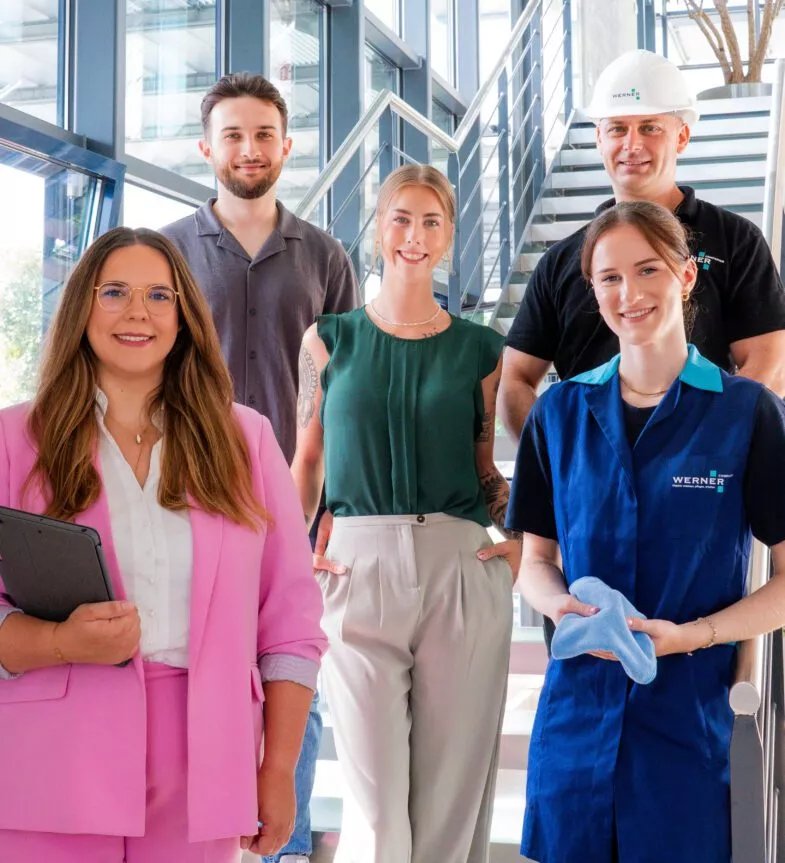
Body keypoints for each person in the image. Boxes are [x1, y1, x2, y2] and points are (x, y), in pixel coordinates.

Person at [0, 227, 326, 862]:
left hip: (206, 763)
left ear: (184, 316)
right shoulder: (14, 440)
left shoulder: (247, 439)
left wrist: (280, 769)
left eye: (159, 294)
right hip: (49, 758)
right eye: (114, 291)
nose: (137, 312)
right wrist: (59, 642)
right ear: (81, 308)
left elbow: (291, 624)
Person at [507, 200, 785, 863]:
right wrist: (561, 606)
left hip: (688, 722)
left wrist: (693, 635)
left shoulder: (747, 413)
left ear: (686, 276)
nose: (627, 294)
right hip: (575, 717)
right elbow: (533, 560)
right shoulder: (558, 413)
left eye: (647, 269)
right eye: (607, 277)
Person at [290, 164, 520, 863]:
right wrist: (288, 561)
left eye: (430, 221)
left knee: (449, 806)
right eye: (400, 217)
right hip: (354, 569)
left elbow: (486, 469)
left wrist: (523, 545)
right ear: (377, 226)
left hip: (459, 566)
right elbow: (307, 464)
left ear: (448, 235)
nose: (413, 235)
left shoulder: (483, 350)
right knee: (377, 813)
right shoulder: (328, 340)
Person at [161, 72, 359, 863]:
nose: (249, 149)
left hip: (291, 500)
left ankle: (276, 845)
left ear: (286, 146)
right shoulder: (167, 251)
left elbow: (349, 391)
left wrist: (333, 506)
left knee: (289, 663)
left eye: (264, 135)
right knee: (189, 662)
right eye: (233, 135)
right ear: (208, 147)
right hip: (181, 494)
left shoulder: (325, 256)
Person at [499, 49, 785, 445]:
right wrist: (558, 459)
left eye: (650, 127)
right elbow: (515, 378)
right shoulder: (561, 260)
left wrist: (710, 445)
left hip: (702, 472)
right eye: (617, 128)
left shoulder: (735, 240)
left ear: (681, 136)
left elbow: (770, 360)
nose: (632, 144)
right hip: (595, 484)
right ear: (599, 138)